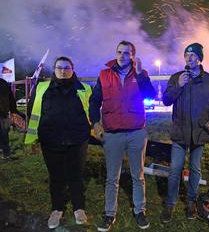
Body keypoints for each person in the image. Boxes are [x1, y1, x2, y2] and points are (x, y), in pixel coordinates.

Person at [89, 40, 156, 231]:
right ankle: (109, 214)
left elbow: (150, 95)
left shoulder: (140, 74)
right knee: (112, 177)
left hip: (136, 132)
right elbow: (94, 102)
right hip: (112, 134)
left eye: (126, 53)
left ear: (132, 56)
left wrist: (142, 75)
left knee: (138, 175)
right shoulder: (104, 75)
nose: (122, 55)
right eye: (119, 52)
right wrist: (96, 123)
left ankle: (140, 211)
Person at [24, 56, 91, 229]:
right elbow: (33, 113)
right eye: (59, 67)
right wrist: (32, 139)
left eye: (66, 67)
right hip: (50, 141)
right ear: (54, 70)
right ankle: (57, 209)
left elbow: (92, 112)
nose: (63, 70)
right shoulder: (42, 88)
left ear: (73, 69)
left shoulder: (84, 89)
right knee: (56, 178)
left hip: (77, 141)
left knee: (76, 176)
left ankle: (79, 208)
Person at [160, 43, 209, 222]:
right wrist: (178, 85)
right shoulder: (176, 78)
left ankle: (191, 203)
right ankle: (170, 204)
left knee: (195, 169)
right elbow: (166, 100)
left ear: (200, 59)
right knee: (175, 168)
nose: (189, 58)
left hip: (200, 132)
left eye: (193, 55)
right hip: (180, 131)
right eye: (186, 55)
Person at [0, 78, 23, 160]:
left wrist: (14, 110)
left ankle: (6, 154)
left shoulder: (3, 83)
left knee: (5, 134)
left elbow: (10, 97)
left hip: (4, 114)